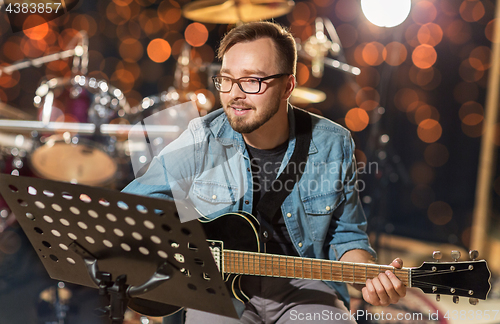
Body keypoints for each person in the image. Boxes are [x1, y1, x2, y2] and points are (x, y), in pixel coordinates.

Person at [122, 21, 405, 323]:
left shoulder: (333, 143)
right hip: (218, 291)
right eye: (227, 80)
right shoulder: (201, 137)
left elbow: (346, 237)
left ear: (288, 86)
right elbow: (132, 206)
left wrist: (369, 278)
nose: (235, 94)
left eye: (252, 81)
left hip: (302, 285)